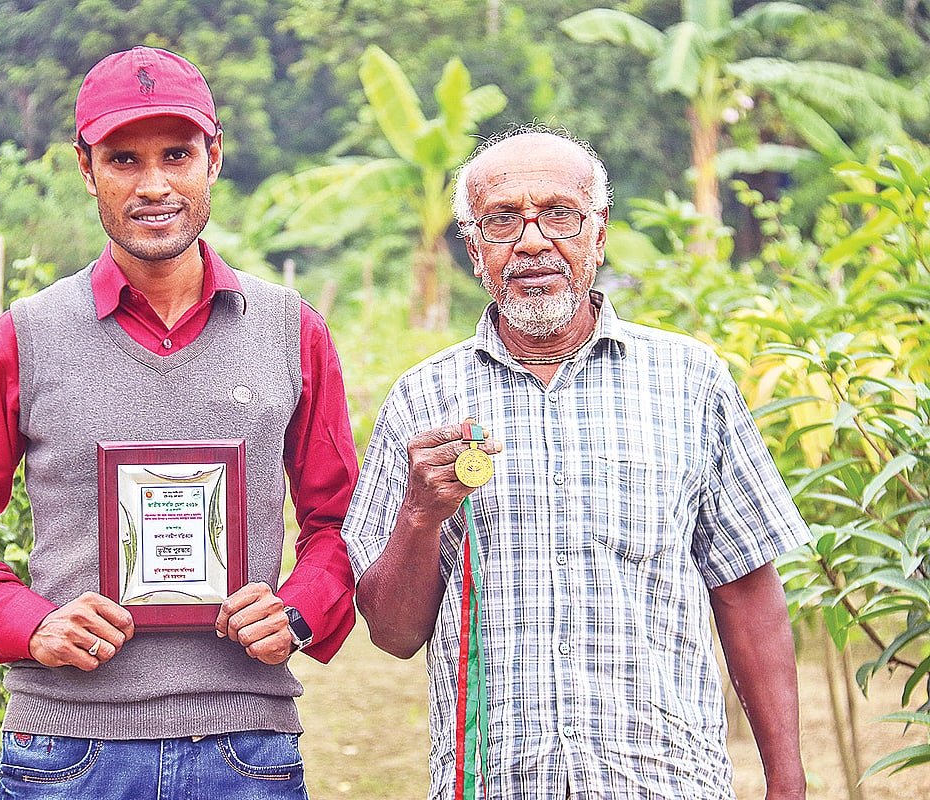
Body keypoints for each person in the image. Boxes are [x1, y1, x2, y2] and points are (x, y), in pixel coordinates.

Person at [0, 46, 358, 800]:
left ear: (214, 158)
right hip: (65, 749)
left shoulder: (292, 330)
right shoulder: (22, 338)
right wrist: (31, 623)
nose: (154, 185)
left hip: (244, 744)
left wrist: (299, 610)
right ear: (86, 169)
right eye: (123, 159)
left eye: (177, 155)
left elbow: (341, 519)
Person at [341, 126, 809, 800]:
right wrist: (419, 515)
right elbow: (391, 633)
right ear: (474, 248)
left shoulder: (690, 379)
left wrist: (786, 783)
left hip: (666, 781)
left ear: (600, 232)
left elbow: (747, 590)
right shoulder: (422, 398)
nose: (532, 241)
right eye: (502, 219)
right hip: (499, 784)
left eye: (559, 213)